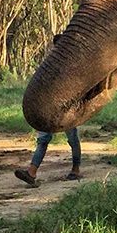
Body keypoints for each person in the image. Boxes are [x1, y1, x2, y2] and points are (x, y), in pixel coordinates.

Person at [15, 34, 82, 187]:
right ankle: (31, 173)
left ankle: (76, 168)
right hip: (48, 106)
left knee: (72, 139)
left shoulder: (73, 65)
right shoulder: (51, 64)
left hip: (66, 107)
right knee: (44, 140)